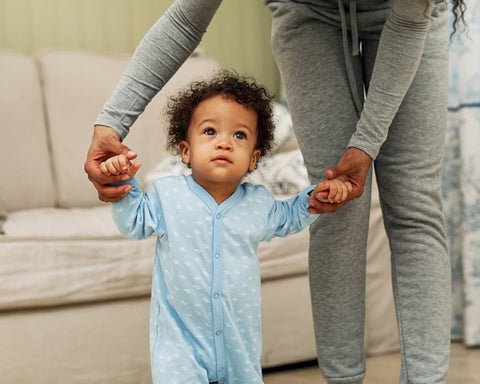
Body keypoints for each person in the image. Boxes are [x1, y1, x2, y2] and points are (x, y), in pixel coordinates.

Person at [84, 1, 466, 382]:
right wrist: (112, 123)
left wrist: (365, 145)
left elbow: (408, 22)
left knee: (414, 205)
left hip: (409, 20)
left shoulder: (256, 206)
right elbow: (186, 19)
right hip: (309, 19)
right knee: (338, 205)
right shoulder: (169, 197)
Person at [100, 72, 352, 384]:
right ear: (186, 151)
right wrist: (122, 183)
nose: (224, 142)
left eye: (240, 136)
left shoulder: (258, 203)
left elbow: (289, 217)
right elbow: (133, 224)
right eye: (209, 131)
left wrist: (320, 195)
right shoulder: (168, 196)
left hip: (239, 344)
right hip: (181, 346)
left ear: (253, 158)